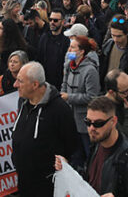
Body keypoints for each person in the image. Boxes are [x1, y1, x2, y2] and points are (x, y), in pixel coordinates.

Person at [54, 96, 128, 197]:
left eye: (98, 123)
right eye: (88, 122)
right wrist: (68, 168)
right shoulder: (97, 144)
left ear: (113, 121)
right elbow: (89, 180)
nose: (92, 128)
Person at [11, 61, 79, 197]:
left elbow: (72, 146)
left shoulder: (60, 109)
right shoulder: (24, 103)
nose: (15, 85)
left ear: (35, 85)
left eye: (20, 81)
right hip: (24, 182)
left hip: (47, 187)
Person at [61, 35, 100, 161]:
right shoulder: (69, 66)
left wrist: (69, 97)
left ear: (82, 51)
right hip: (70, 118)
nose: (69, 50)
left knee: (89, 153)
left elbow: (92, 97)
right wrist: (63, 95)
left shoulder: (90, 70)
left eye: (72, 48)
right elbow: (64, 84)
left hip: (84, 121)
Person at [100, 15, 128, 101]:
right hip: (106, 92)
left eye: (119, 36)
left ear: (127, 33)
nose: (115, 39)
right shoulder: (109, 45)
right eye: (113, 35)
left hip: (122, 97)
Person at [37, 9, 69, 90]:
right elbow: (39, 57)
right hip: (45, 81)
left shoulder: (67, 40)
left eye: (55, 20)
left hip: (60, 82)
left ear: (62, 22)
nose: (52, 22)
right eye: (50, 19)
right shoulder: (44, 37)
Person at [103, 69, 128, 145]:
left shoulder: (124, 99)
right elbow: (126, 136)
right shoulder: (105, 110)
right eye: (126, 91)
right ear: (111, 92)